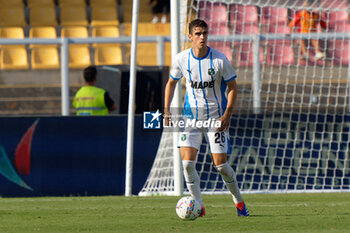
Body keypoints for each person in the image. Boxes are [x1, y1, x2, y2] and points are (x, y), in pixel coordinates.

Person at [164, 19, 249, 217]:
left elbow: (233, 87)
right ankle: (199, 206)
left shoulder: (219, 60)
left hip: (215, 119)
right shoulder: (181, 59)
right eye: (198, 34)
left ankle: (239, 202)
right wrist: (166, 110)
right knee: (187, 164)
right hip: (190, 118)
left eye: (205, 33)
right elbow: (171, 83)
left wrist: (227, 113)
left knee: (221, 166)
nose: (202, 37)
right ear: (190, 37)